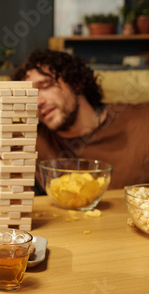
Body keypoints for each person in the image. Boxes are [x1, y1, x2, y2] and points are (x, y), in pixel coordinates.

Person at [12, 49, 149, 189]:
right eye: (29, 97)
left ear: (75, 83)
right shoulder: (31, 140)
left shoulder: (141, 121)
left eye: (45, 86)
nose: (38, 102)